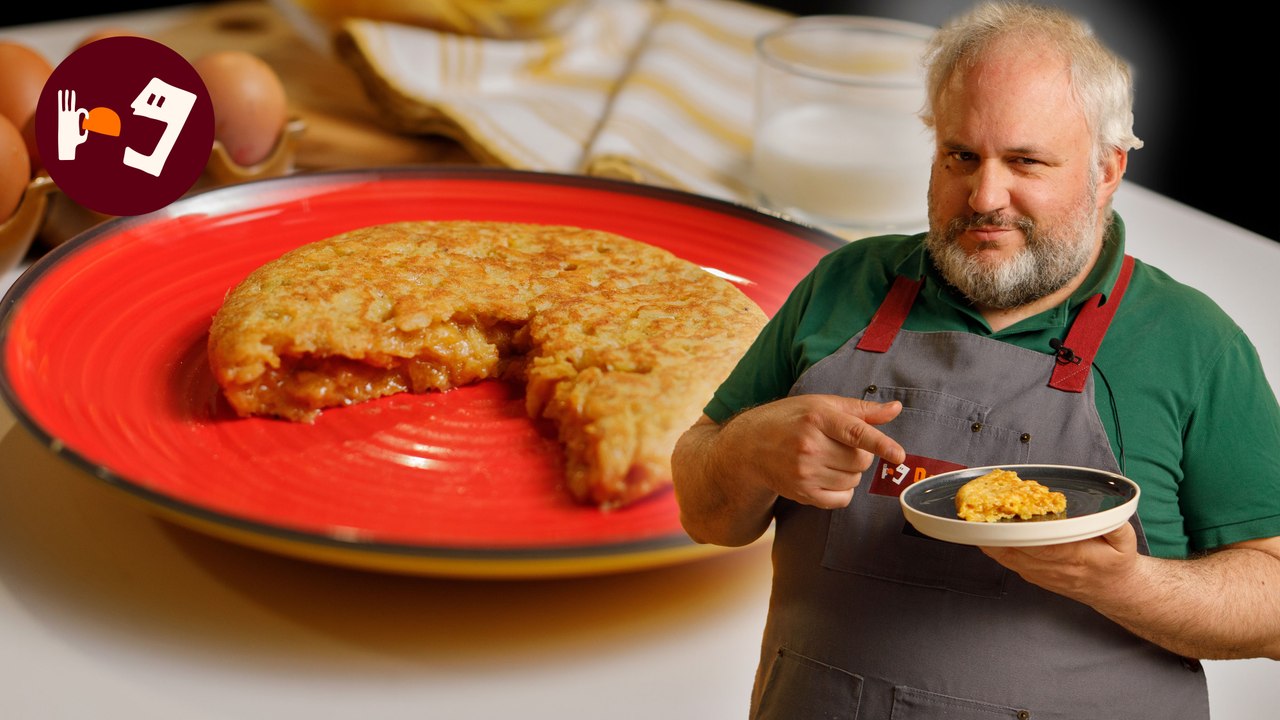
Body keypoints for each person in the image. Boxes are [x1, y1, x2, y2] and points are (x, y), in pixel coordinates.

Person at [671, 2, 1280, 718]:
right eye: (962, 157)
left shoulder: (1191, 343)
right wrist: (745, 452)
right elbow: (704, 508)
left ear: (1108, 168)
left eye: (1025, 162)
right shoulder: (843, 286)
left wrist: (1120, 583)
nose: (986, 197)